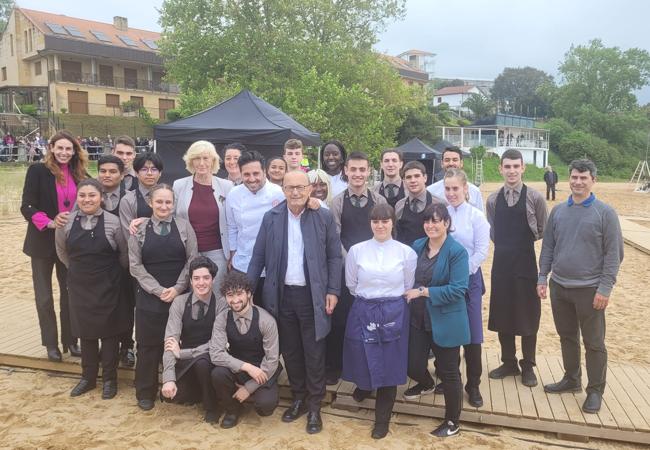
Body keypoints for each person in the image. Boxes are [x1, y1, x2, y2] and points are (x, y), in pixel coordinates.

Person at [247, 170, 342, 434]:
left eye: (301, 187)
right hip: (281, 296)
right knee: (290, 352)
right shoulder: (272, 218)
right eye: (290, 188)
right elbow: (258, 258)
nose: (296, 193)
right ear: (283, 190)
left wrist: (333, 289)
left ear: (310, 188)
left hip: (313, 296)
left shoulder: (322, 216)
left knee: (314, 353)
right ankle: (299, 398)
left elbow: (335, 256)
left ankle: (314, 406)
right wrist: (246, 291)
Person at [538, 159, 623, 414]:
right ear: (569, 179)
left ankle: (595, 390)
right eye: (574, 177)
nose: (578, 182)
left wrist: (605, 288)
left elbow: (613, 255)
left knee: (594, 343)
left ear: (593, 180)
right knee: (567, 337)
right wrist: (543, 277)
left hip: (590, 289)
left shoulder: (605, 213)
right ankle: (572, 379)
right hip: (559, 286)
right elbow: (548, 247)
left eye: (583, 178)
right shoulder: (559, 212)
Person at [343, 204, 416, 439]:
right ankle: (364, 386)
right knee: (362, 352)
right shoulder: (357, 250)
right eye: (376, 221)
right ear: (370, 224)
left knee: (390, 363)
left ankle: (382, 419)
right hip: (364, 306)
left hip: (394, 310)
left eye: (385, 221)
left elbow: (408, 285)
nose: (380, 225)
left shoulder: (406, 253)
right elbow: (352, 284)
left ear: (392, 222)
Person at [55, 179, 129, 399]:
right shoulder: (66, 223)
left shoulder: (113, 223)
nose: (87, 200)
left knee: (109, 333)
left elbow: (123, 255)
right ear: (77, 198)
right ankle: (87, 377)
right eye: (83, 196)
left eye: (92, 196)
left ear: (101, 198)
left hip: (108, 284)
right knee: (85, 332)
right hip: (79, 285)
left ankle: (109, 380)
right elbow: (62, 253)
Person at [128, 184, 198, 411]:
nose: (164, 206)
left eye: (168, 202)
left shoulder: (184, 226)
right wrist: (158, 290)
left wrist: (178, 288)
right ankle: (145, 391)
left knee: (180, 342)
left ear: (174, 203)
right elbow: (135, 266)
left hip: (180, 295)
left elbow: (192, 260)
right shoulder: (139, 229)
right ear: (150, 203)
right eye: (159, 202)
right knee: (148, 345)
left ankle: (181, 388)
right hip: (149, 295)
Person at [21, 130, 88, 362]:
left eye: (68, 149)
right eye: (60, 148)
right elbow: (27, 206)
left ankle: (71, 340)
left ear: (74, 151)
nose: (64, 152)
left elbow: (90, 198)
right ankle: (50, 343)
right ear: (51, 148)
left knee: (69, 294)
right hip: (41, 243)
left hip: (69, 244)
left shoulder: (79, 173)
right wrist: (50, 222)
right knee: (44, 297)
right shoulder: (38, 171)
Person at [404, 203, 470, 438]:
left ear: (446, 223)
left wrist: (423, 292)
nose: (431, 225)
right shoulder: (418, 245)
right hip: (419, 318)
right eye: (427, 221)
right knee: (412, 364)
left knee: (450, 372)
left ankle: (453, 421)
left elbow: (458, 290)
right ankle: (426, 383)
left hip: (446, 321)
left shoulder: (457, 252)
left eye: (436, 220)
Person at [486, 149, 547, 387]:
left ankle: (528, 365)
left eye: (516, 166)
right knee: (503, 313)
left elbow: (543, 229)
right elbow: (493, 231)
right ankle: (509, 362)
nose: (511, 171)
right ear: (500, 169)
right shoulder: (492, 199)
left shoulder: (535, 198)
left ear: (523, 168)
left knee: (528, 314)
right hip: (501, 264)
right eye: (507, 166)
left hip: (526, 263)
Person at [328, 152, 387, 384]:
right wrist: (353, 263)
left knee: (371, 320)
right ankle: (336, 366)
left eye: (362, 170)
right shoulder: (337, 202)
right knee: (342, 319)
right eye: (353, 170)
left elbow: (384, 233)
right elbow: (335, 237)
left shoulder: (379, 201)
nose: (358, 174)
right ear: (346, 171)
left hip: (373, 270)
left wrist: (370, 265)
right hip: (346, 269)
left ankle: (369, 366)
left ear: (368, 171)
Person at [442, 169, 490, 407]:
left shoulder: (477, 217)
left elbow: (482, 250)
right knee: (449, 332)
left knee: (471, 335)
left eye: (455, 188)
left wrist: (463, 272)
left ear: (465, 189)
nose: (451, 193)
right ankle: (451, 379)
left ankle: (474, 384)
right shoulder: (443, 214)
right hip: (446, 281)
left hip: (469, 281)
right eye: (447, 189)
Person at [210, 271, 281, 428]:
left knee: (266, 406)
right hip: (237, 368)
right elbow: (215, 354)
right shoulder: (222, 318)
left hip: (262, 370)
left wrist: (249, 388)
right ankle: (232, 410)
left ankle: (253, 395)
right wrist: (247, 368)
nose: (235, 300)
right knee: (218, 373)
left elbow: (271, 360)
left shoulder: (266, 320)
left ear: (249, 293)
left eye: (239, 294)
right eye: (230, 295)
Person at [161, 256, 227, 423]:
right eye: (196, 278)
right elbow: (170, 341)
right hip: (185, 361)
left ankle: (212, 407)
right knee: (176, 397)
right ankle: (199, 392)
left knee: (202, 362)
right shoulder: (179, 302)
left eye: (206, 278)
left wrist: (182, 353)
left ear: (213, 279)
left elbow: (217, 345)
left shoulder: (222, 304)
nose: (201, 283)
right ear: (190, 281)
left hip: (211, 356)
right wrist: (168, 378)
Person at [225, 150, 285, 305]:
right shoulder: (233, 194)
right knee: (243, 307)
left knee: (269, 309)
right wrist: (232, 254)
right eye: (246, 175)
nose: (252, 179)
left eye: (256, 173)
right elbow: (231, 227)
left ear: (264, 172)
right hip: (243, 263)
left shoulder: (278, 193)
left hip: (271, 264)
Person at [173, 141, 233, 292]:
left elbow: (233, 221)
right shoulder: (179, 185)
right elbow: (169, 214)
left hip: (217, 251)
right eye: (196, 158)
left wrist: (232, 253)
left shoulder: (226, 186)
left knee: (217, 294)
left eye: (206, 158)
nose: (201, 163)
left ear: (213, 161)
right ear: (190, 161)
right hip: (187, 251)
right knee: (192, 294)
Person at [97, 155, 136, 368]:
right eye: (103, 171)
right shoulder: (90, 196)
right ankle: (107, 345)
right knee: (105, 305)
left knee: (127, 305)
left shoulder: (130, 198)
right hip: (101, 263)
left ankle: (127, 346)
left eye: (112, 171)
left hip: (125, 261)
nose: (107, 175)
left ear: (122, 175)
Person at [394, 161, 442, 246]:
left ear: (425, 178)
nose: (413, 180)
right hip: (407, 256)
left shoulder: (439, 204)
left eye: (417, 176)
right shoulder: (399, 206)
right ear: (404, 181)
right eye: (408, 177)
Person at [427, 146, 484, 212]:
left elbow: (480, 218)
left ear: (461, 163)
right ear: (442, 163)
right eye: (447, 160)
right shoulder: (431, 191)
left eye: (455, 160)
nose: (451, 163)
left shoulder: (475, 192)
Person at [118, 152, 163, 234]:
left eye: (154, 169)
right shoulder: (128, 200)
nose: (149, 173)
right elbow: (129, 234)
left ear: (160, 173)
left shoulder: (170, 198)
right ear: (136, 173)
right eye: (144, 169)